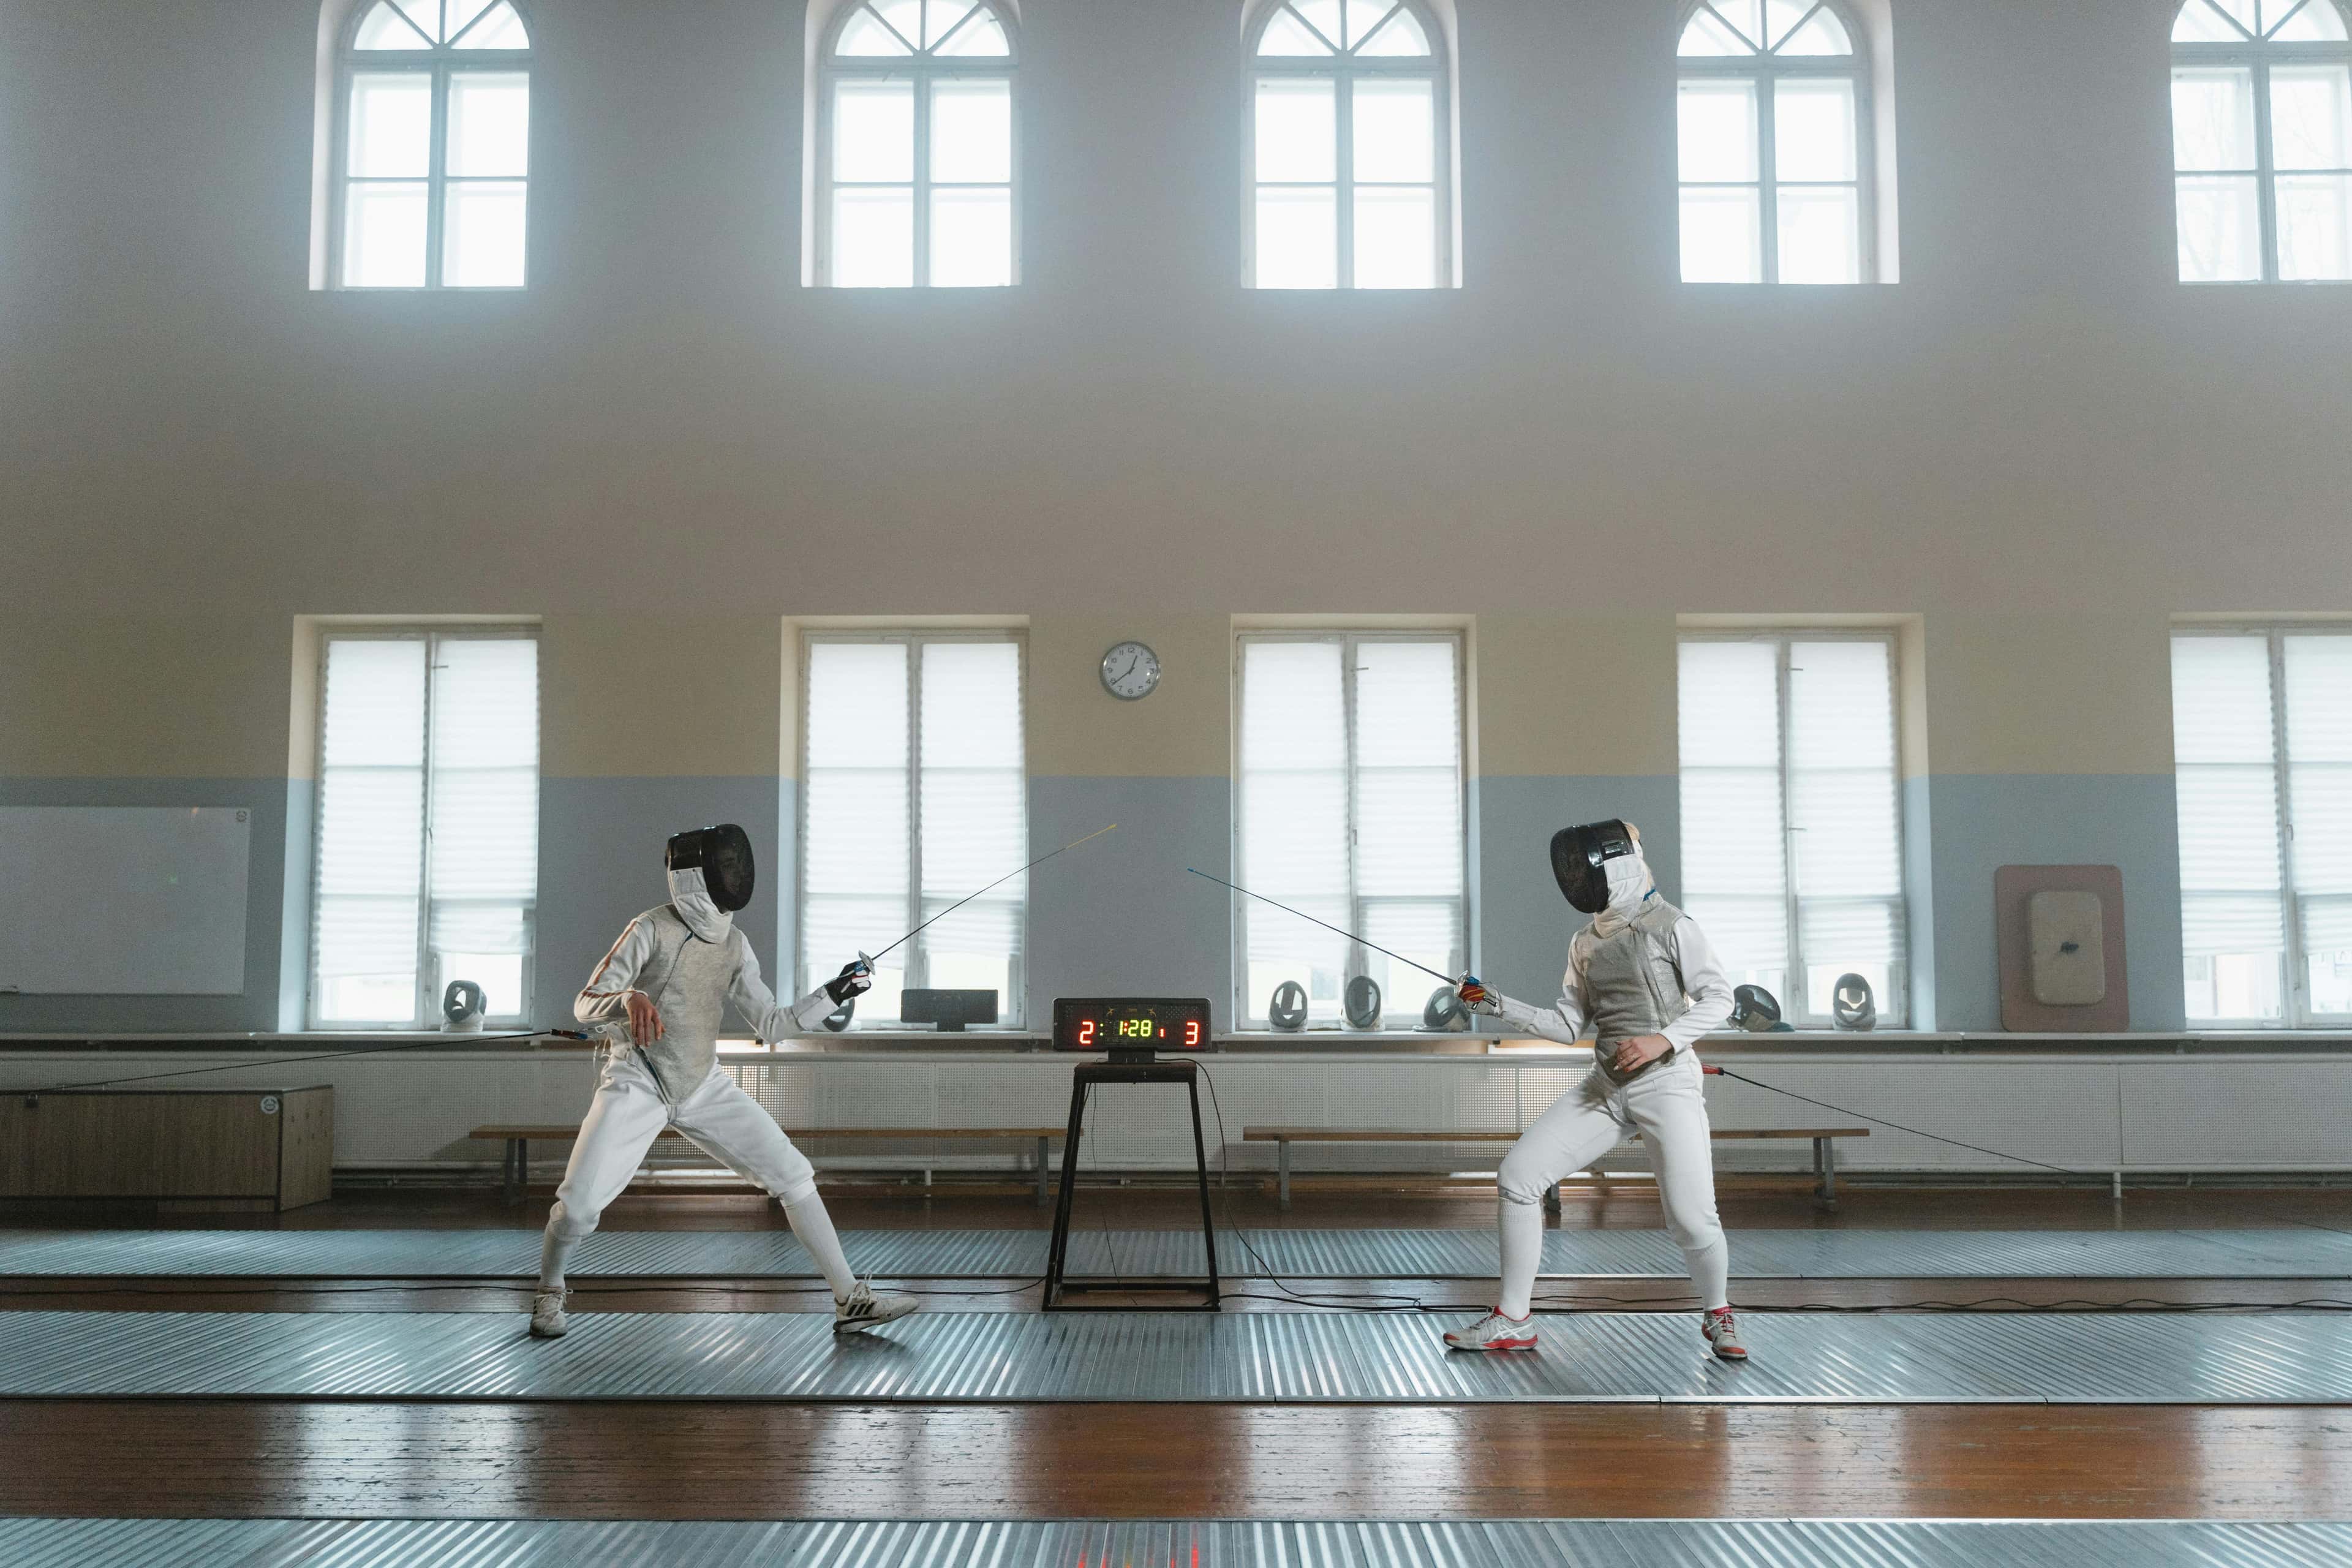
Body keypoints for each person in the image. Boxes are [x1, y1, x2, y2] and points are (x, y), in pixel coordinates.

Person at [530, 823, 918, 1341]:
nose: (735, 874)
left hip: (701, 1084)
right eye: (726, 866)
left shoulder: (734, 943)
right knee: (578, 1207)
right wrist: (629, 998)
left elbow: (772, 1024)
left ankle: (851, 1300)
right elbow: (585, 1003)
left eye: (736, 866)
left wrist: (835, 992)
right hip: (638, 1078)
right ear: (698, 874)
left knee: (793, 1174)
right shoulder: (650, 927)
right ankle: (549, 1289)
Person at [1445, 820, 1746, 1361]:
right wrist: (1495, 1004)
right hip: (1606, 1088)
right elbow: (1568, 1026)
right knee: (1518, 1177)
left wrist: (1662, 1041)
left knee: (1692, 1217)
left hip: (1667, 1085)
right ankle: (1513, 1319)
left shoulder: (1673, 925)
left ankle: (1718, 1312)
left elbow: (1720, 998)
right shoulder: (1585, 942)